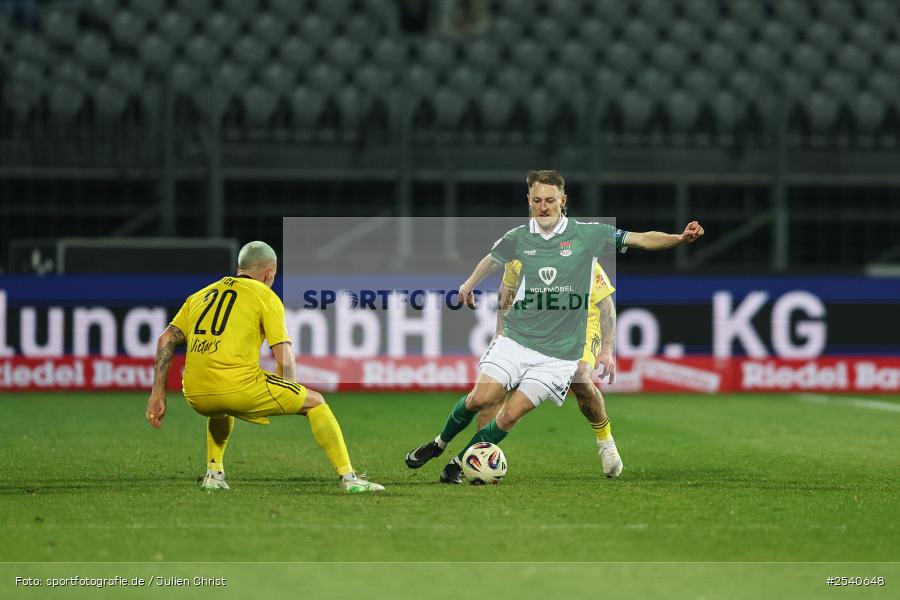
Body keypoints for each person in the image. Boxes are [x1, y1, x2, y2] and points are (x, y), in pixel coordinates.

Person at [405, 169, 704, 483]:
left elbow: (639, 242)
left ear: (564, 201)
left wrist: (679, 238)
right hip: (518, 339)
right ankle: (439, 444)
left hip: (561, 352)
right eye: (537, 200)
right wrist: (469, 289)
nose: (543, 206)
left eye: (550, 200)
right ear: (529, 201)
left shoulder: (587, 238)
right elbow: (497, 274)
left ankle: (460, 461)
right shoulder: (518, 240)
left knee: (515, 411)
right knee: (480, 399)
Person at [145, 241, 384, 493]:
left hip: (195, 393)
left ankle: (213, 475)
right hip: (239, 388)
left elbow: (166, 339)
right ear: (269, 273)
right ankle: (349, 478)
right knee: (316, 402)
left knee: (220, 408)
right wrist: (288, 394)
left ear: (240, 268)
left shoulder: (201, 295)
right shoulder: (265, 296)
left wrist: (157, 393)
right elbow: (285, 358)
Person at [476, 258, 623, 478]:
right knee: (496, 386)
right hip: (536, 324)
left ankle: (605, 443)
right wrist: (500, 332)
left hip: (580, 323)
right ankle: (480, 454)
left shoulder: (581, 252)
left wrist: (607, 349)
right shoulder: (518, 250)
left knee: (579, 377)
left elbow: (606, 304)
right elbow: (506, 291)